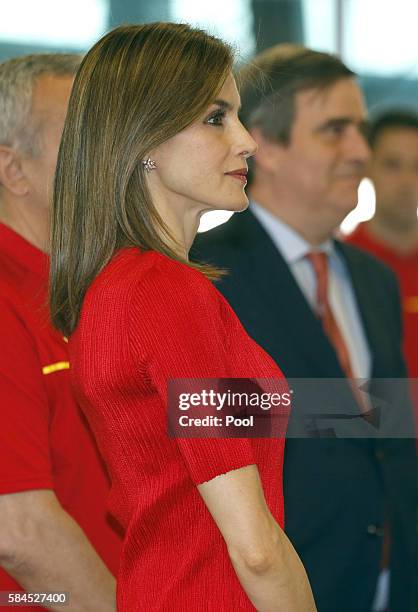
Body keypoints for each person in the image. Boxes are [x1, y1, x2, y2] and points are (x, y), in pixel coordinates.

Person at [49, 23, 316, 612]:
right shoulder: (166, 294)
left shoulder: (119, 287)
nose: (247, 141)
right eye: (216, 118)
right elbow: (256, 550)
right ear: (144, 137)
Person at [193, 45, 417, 612]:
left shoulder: (374, 278)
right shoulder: (204, 274)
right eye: (334, 131)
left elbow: (391, 435)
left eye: (361, 130)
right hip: (279, 586)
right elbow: (195, 415)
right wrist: (368, 412)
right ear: (264, 145)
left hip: (392, 579)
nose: (360, 152)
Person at [0, 54, 121, 611]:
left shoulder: (101, 287)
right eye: (80, 133)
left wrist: (364, 412)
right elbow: (20, 531)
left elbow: (188, 416)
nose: (107, 152)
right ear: (13, 170)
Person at [347, 111, 418, 431]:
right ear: (368, 167)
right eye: (392, 164)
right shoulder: (338, 267)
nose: (407, 181)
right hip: (379, 453)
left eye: (417, 167)